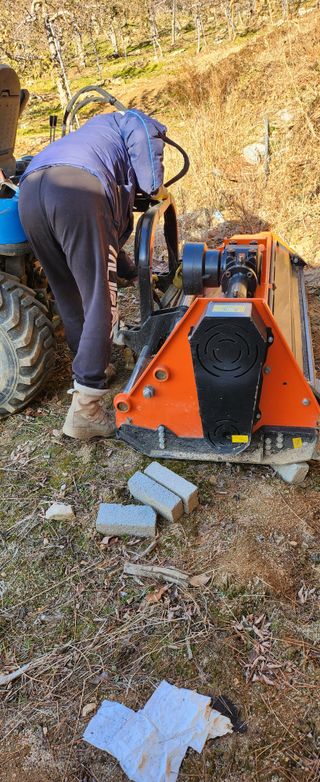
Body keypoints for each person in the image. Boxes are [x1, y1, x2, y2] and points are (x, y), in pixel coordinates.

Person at [18, 108, 167, 440]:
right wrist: (156, 189)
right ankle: (86, 409)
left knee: (68, 293)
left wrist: (132, 270)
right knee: (101, 298)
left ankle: (91, 368)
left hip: (31, 189)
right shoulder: (138, 122)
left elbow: (107, 249)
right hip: (77, 190)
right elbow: (152, 182)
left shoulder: (93, 133)